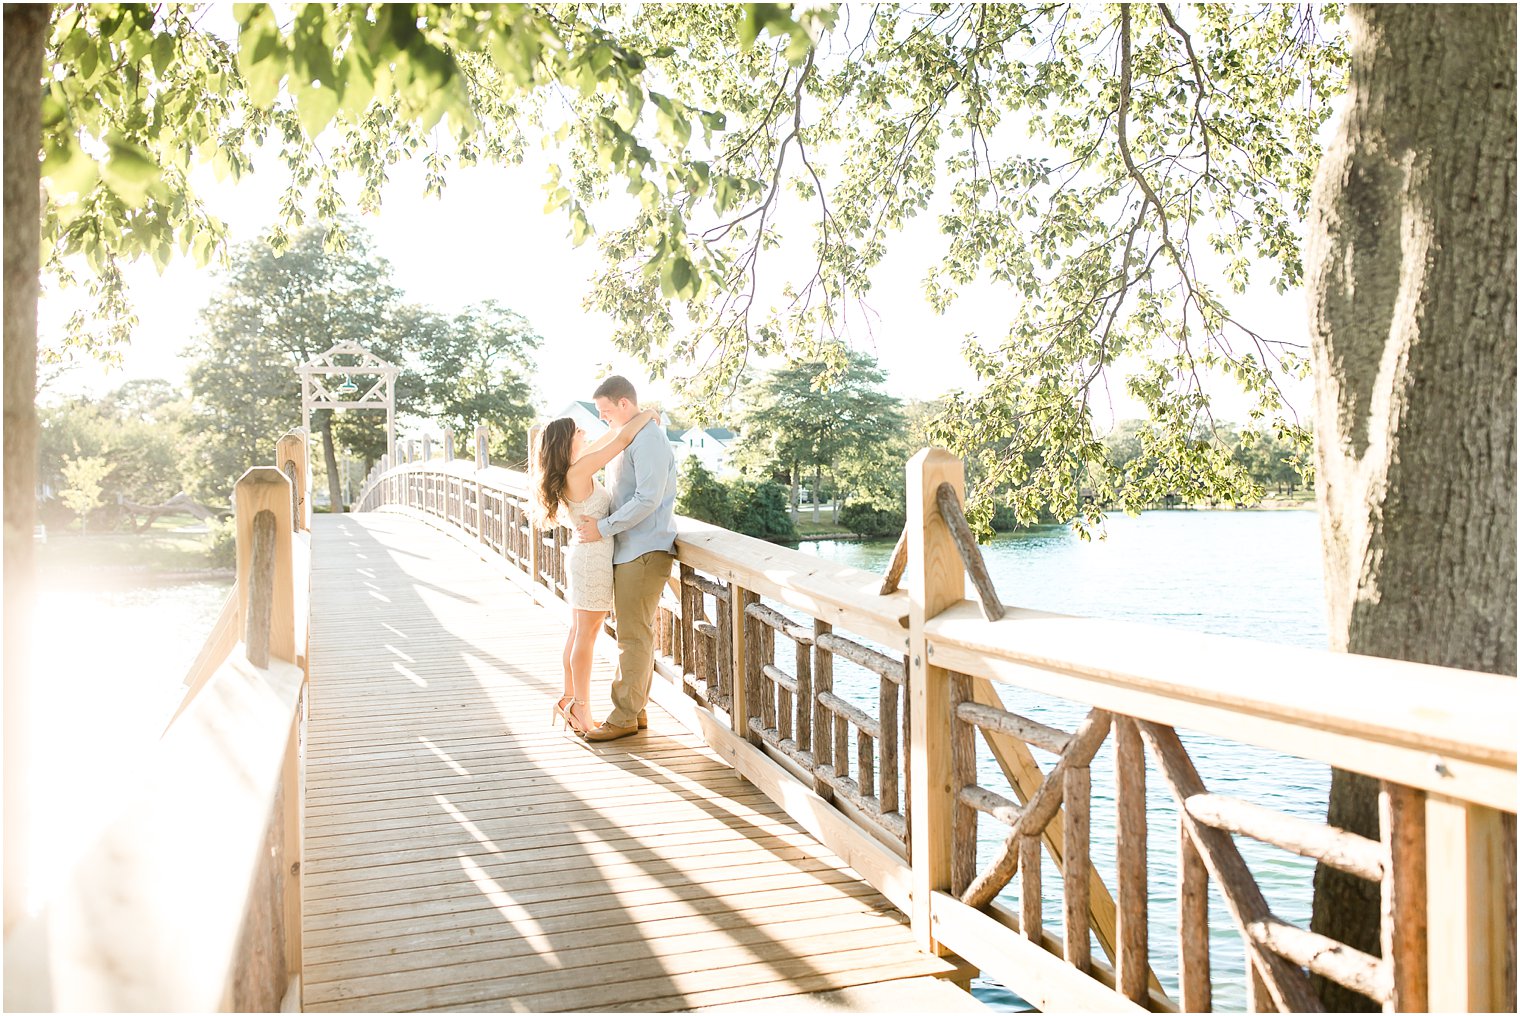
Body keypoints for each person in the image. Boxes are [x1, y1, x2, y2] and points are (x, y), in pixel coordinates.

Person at [533, 405, 659, 736]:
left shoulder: (573, 468)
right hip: (592, 561)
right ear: (566, 442)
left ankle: (569, 700)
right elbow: (620, 440)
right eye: (578, 432)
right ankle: (581, 708)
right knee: (585, 637)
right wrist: (647, 413)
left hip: (586, 556)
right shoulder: (578, 471)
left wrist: (627, 420)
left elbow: (609, 437)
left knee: (578, 633)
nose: (585, 434)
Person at [575, 375, 679, 742]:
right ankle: (636, 711)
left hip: (644, 549)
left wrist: (603, 527)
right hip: (632, 548)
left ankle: (622, 717)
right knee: (635, 635)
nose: (603, 418)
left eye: (606, 411)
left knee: (633, 638)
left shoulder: (648, 438)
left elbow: (648, 499)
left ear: (623, 403)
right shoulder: (633, 434)